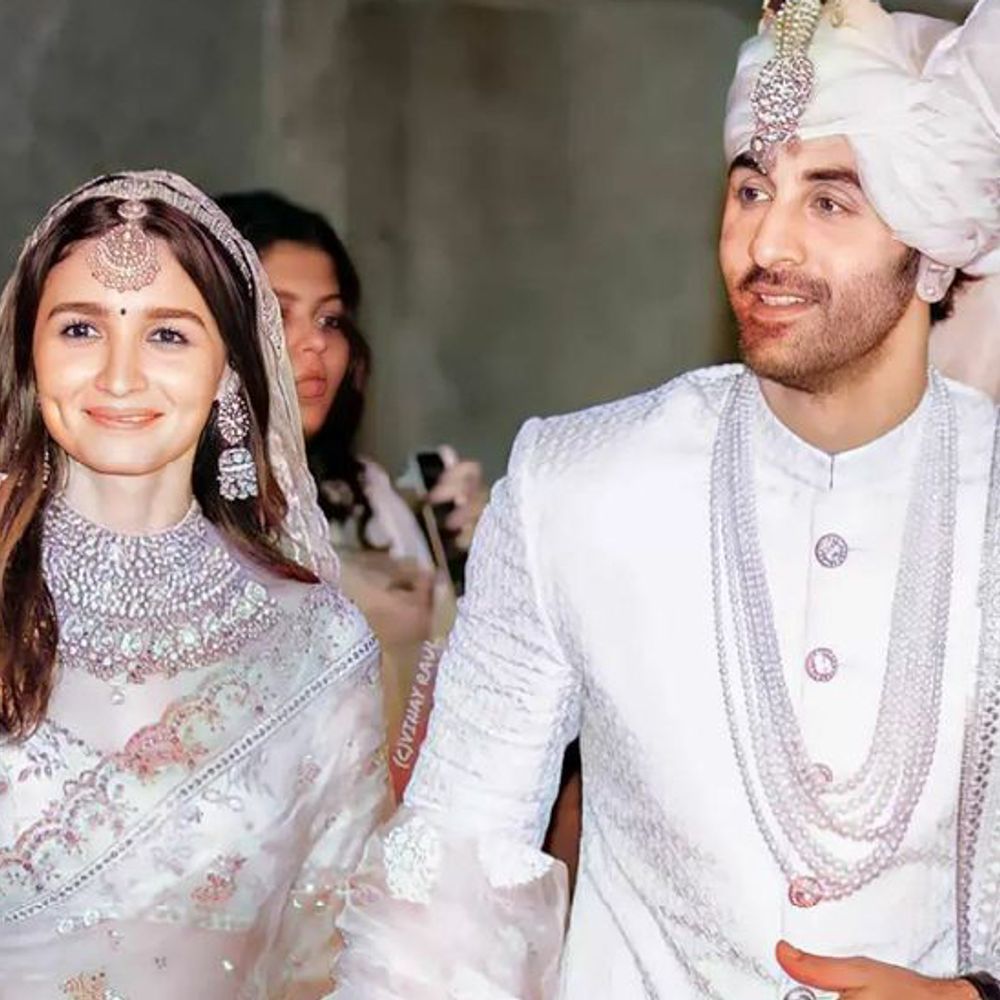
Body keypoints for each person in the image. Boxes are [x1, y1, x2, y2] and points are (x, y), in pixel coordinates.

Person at [331, 1, 1000, 998]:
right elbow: (448, 875)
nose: (766, 243)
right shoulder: (577, 484)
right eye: (750, 188)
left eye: (829, 202)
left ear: (931, 243)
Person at [0, 171, 391, 999]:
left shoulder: (315, 641)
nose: (119, 377)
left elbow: (328, 955)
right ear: (30, 353)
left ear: (229, 369)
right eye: (80, 328)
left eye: (168, 335)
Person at [216, 191, 486, 739]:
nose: (314, 343)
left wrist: (482, 571)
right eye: (277, 314)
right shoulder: (153, 505)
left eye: (331, 319)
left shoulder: (362, 492)